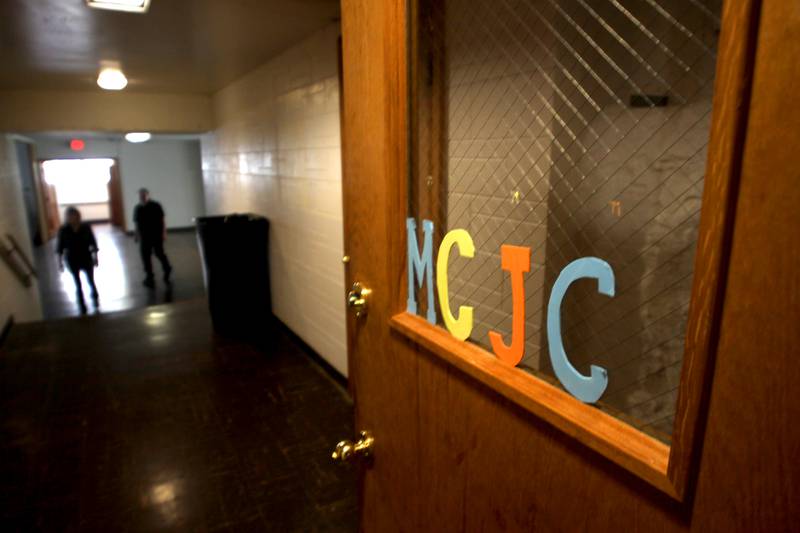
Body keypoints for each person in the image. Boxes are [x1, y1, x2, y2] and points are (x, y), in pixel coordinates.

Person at [56, 207, 99, 314]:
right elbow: (60, 247)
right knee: (77, 283)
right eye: (69, 216)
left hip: (86, 257)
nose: (71, 218)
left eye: (73, 215)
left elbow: (92, 242)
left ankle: (94, 295)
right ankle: (82, 304)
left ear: (78, 216)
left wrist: (95, 257)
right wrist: (60, 262)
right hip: (72, 259)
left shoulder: (86, 227)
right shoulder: (63, 230)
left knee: (90, 279)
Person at [133, 188, 172, 288]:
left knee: (159, 253)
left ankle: (167, 268)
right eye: (140, 195)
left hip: (156, 235)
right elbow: (136, 223)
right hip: (144, 236)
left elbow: (162, 220)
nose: (142, 197)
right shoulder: (137, 208)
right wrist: (136, 234)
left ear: (148, 195)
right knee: (145, 256)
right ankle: (149, 276)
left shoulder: (156, 205)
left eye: (144, 195)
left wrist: (164, 232)